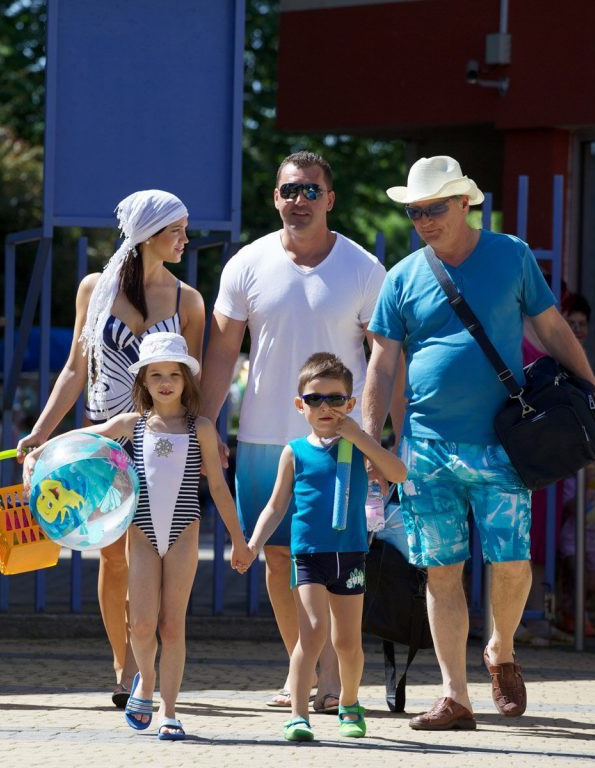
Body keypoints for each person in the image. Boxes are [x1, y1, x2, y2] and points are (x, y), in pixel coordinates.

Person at [362, 156, 595, 731]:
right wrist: (375, 445)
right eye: (415, 211)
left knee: (512, 563)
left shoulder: (511, 255)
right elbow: (381, 365)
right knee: (441, 570)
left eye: (434, 208)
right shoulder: (401, 276)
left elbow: (551, 329)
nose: (424, 220)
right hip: (426, 449)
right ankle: (455, 696)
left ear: (464, 203)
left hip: (504, 444)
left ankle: (500, 648)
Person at [200, 150, 389, 711]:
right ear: (275, 198)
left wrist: (374, 436)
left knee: (333, 559)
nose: (299, 200)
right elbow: (221, 353)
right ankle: (303, 671)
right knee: (278, 558)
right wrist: (207, 424)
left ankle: (330, 677)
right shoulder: (247, 263)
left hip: (340, 442)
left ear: (330, 199)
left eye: (310, 190)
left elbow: (384, 357)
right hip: (265, 437)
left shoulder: (363, 268)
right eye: (289, 190)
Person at [15, 189, 205, 707]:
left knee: (151, 552)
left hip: (162, 442)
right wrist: (41, 431)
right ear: (147, 235)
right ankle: (124, 665)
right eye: (176, 231)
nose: (185, 240)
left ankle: (146, 664)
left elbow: (192, 383)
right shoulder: (94, 288)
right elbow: (76, 369)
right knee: (113, 557)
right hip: (104, 438)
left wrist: (206, 441)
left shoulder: (188, 301)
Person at [23, 332, 251, 740]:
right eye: (156, 375)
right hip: (142, 532)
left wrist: (238, 539)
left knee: (172, 625)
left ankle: (169, 710)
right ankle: (145, 679)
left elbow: (218, 487)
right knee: (142, 625)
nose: (165, 383)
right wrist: (40, 450)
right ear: (143, 380)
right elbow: (86, 438)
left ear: (186, 380)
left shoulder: (201, 428)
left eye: (173, 375)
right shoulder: (133, 423)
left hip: (183, 531)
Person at [244, 353, 406, 741]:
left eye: (335, 399)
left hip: (350, 555)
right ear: (300, 405)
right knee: (313, 633)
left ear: (350, 404)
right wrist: (252, 545)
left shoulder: (357, 446)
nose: (325, 407)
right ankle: (299, 715)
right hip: (308, 556)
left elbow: (398, 474)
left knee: (347, 642)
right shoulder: (294, 451)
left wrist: (361, 437)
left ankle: (349, 703)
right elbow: (275, 506)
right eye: (315, 399)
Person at [557, 294, 595, 635]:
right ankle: (569, 612)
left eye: (582, 325)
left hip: (590, 465)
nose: (577, 330)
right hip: (564, 461)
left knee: (589, 565)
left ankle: (575, 609)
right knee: (569, 556)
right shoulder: (557, 357)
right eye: (572, 323)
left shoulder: (590, 365)